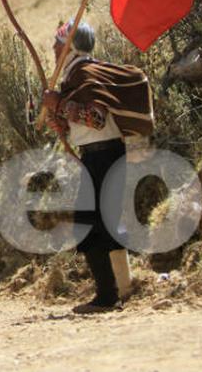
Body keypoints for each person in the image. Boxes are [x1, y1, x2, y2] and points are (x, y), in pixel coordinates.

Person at [42, 20, 153, 313]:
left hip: (104, 155)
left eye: (58, 43)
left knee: (93, 225)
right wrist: (60, 118)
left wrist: (60, 105)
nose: (53, 48)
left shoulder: (84, 73)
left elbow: (97, 119)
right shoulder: (80, 73)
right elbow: (82, 122)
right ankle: (121, 289)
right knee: (102, 223)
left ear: (70, 46)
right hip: (100, 154)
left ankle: (108, 296)